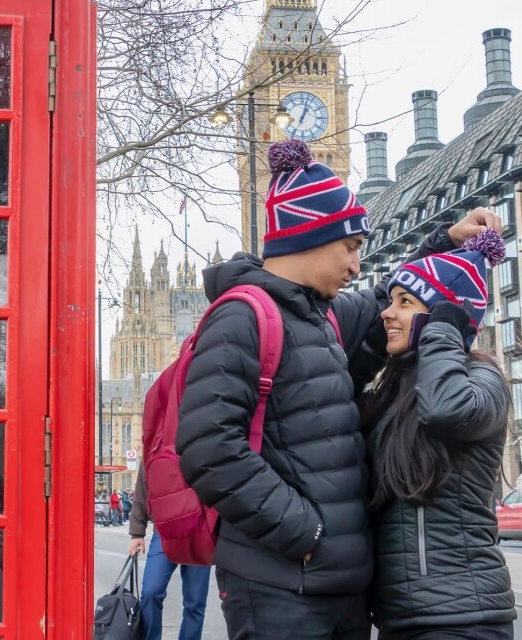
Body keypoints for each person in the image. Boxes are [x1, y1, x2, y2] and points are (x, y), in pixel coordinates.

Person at [175, 137, 502, 640]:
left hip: (340, 590)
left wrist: (445, 245)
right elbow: (208, 449)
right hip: (281, 584)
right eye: (350, 248)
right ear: (309, 238)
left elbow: (394, 302)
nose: (355, 264)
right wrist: (308, 533)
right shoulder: (243, 318)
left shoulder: (325, 316)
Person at [360, 229, 516, 639]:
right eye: (390, 302)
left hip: (464, 618)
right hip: (400, 617)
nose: (386, 314)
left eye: (405, 303)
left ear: (442, 316)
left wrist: (444, 329)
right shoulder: (394, 388)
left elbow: (447, 411)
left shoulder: (481, 378)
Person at [128, 464, 211, 640]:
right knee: (151, 591)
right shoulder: (158, 440)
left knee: (195, 603)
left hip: (200, 531)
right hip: (165, 531)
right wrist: (137, 532)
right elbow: (143, 485)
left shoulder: (205, 438)